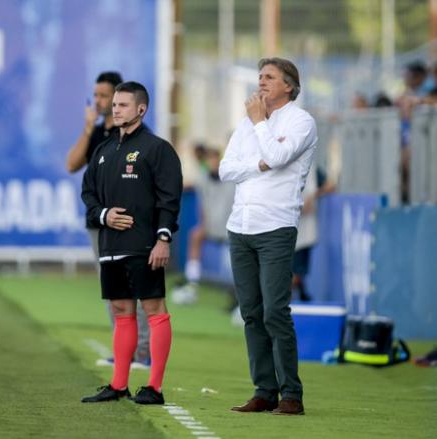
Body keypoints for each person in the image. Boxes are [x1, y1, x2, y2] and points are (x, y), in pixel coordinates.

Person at [219, 57, 317, 415]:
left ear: (288, 86)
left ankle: (291, 394)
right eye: (260, 76)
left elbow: (276, 157)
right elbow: (225, 169)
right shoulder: (248, 124)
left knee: (276, 311)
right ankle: (264, 390)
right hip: (240, 226)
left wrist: (259, 125)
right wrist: (254, 165)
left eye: (270, 77)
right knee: (252, 312)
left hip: (276, 226)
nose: (261, 82)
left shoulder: (301, 121)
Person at [80, 81, 182, 404]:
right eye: (114, 105)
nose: (115, 109)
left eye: (123, 105)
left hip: (144, 246)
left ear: (141, 109)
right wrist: (104, 215)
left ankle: (155, 387)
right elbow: (88, 194)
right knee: (121, 311)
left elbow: (169, 199)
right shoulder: (103, 150)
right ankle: (119, 384)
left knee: (153, 310)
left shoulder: (157, 149)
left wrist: (162, 239)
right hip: (111, 248)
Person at [66, 72, 151, 368]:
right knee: (112, 288)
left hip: (128, 223)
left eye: (104, 96)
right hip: (100, 222)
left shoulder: (138, 135)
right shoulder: (99, 134)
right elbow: (72, 164)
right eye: (98, 96)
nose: (100, 102)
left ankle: (142, 353)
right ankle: (123, 350)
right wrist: (89, 127)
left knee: (135, 288)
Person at [171, 145, 235, 305]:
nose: (213, 163)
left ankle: (236, 293)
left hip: (230, 228)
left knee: (235, 259)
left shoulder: (231, 179)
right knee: (195, 235)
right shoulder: (203, 178)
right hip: (211, 226)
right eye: (210, 160)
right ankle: (192, 283)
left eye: (215, 160)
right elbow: (200, 203)